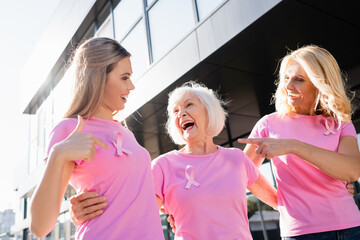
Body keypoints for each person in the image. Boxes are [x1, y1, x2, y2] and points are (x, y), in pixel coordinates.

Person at [70, 82, 278, 240]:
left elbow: (280, 202)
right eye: (175, 111)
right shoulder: (162, 166)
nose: (181, 114)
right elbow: (130, 211)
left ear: (208, 111)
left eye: (189, 105)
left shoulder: (236, 158)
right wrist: (83, 213)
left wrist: (295, 149)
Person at [29, 37, 164, 240]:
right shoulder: (69, 129)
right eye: (124, 77)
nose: (132, 86)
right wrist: (58, 154)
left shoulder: (126, 133)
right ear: (99, 76)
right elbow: (39, 227)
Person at [238, 45, 360, 240]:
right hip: (300, 234)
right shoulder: (269, 124)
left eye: (299, 80)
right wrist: (279, 202)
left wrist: (294, 146)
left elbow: (352, 170)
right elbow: (241, 173)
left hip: (350, 229)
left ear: (320, 84)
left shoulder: (340, 124)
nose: (288, 86)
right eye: (286, 77)